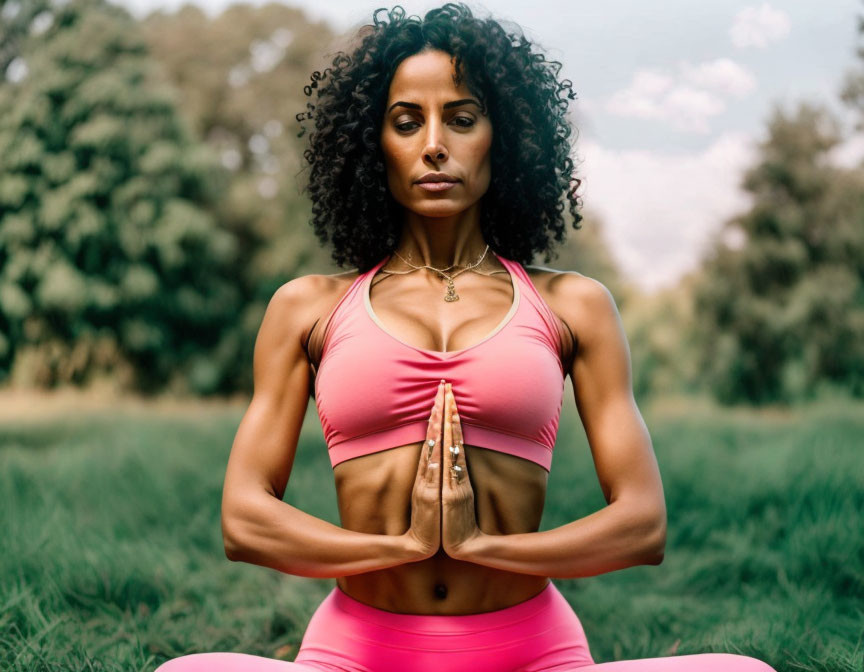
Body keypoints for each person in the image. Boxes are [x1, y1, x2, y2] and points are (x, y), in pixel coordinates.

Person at [155, 4, 777, 671]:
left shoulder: (575, 305)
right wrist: (404, 547)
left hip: (529, 648)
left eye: (461, 117)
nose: (433, 143)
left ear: (499, 137)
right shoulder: (307, 308)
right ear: (374, 145)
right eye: (405, 121)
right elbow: (244, 520)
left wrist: (483, 547)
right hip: (359, 649)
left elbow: (642, 525)